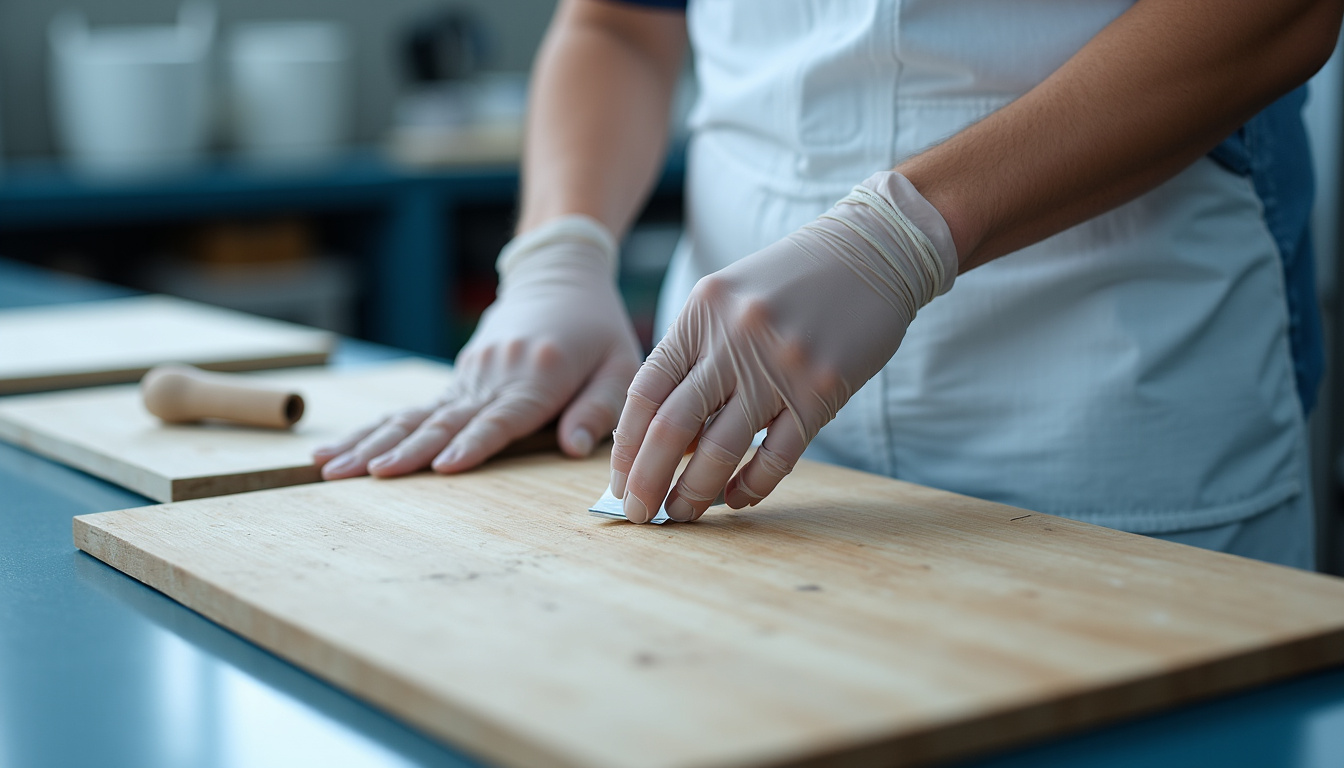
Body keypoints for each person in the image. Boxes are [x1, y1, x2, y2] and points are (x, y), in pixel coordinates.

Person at [315, 0, 1342, 569]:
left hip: (1118, 405)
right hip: (730, 424)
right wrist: (559, 255)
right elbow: (618, 22)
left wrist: (900, 238)